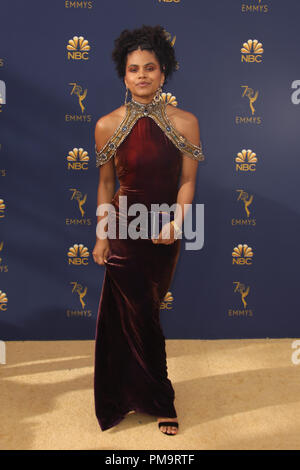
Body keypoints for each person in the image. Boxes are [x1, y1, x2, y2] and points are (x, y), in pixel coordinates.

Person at [92, 25, 205, 436]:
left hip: (163, 230)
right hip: (123, 227)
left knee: (147, 312)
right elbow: (106, 185)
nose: (142, 75)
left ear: (163, 72)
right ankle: (159, 399)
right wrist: (103, 235)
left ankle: (139, 392)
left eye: (150, 68)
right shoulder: (107, 125)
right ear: (124, 75)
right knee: (130, 314)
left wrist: (177, 222)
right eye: (133, 69)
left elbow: (187, 181)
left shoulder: (186, 122)